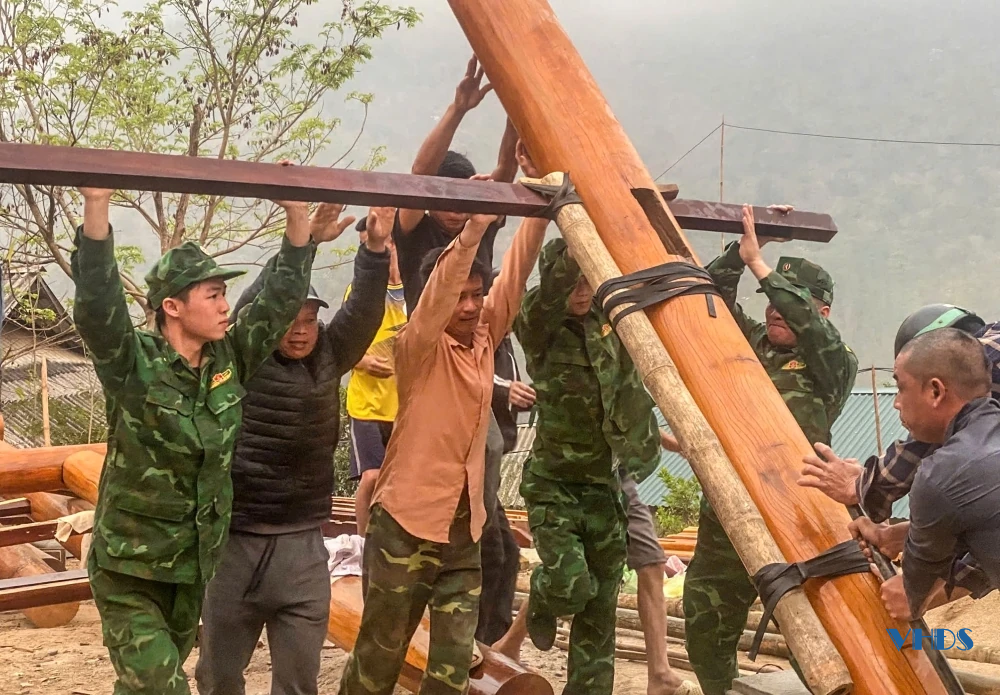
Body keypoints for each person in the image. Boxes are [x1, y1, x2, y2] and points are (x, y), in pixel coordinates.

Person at [73, 181, 316, 695]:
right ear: (173, 307)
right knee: (162, 687)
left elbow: (277, 302)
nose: (226, 304)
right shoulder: (132, 361)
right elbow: (98, 304)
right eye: (214, 294)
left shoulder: (229, 360)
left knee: (144, 686)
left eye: (225, 292)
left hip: (191, 567)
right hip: (130, 570)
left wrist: (299, 223)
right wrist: (97, 204)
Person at [337, 206, 547, 695]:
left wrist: (539, 212)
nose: (471, 306)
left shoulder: (483, 340)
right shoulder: (419, 343)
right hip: (406, 526)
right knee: (380, 656)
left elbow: (514, 276)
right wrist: (473, 232)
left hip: (462, 531)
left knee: (452, 667)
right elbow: (438, 295)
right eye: (460, 297)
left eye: (477, 295)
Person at [194, 205, 393, 695]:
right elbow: (251, 304)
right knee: (217, 676)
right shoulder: (245, 355)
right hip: (235, 542)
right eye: (290, 318)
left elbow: (364, 312)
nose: (301, 329)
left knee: (300, 681)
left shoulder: (329, 354)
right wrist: (302, 241)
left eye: (310, 319)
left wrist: (373, 252)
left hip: (304, 545)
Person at [684, 205, 857, 695]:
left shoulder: (833, 360)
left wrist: (763, 266)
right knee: (707, 607)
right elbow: (705, 296)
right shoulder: (753, 343)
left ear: (821, 310)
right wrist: (740, 258)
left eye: (791, 300)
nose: (775, 308)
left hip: (798, 507)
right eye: (771, 300)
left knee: (817, 622)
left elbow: (811, 327)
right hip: (731, 501)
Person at [504, 230, 668, 695]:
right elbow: (554, 287)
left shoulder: (612, 320)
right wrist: (579, 224)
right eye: (573, 282)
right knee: (570, 585)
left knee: (599, 613)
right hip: (554, 485)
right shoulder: (538, 321)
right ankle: (542, 594)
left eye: (588, 282)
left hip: (605, 487)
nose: (580, 292)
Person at [845, 329, 1000, 620]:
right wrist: (897, 535)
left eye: (902, 388)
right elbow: (974, 524)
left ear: (935, 391)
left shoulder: (941, 474)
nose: (896, 402)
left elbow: (909, 598)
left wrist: (909, 593)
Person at [393, 55, 518, 315]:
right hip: (429, 344)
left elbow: (506, 167)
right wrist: (458, 108)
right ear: (430, 202)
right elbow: (420, 176)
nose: (455, 212)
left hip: (478, 340)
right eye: (446, 201)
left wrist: (516, 105)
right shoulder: (414, 230)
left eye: (463, 202)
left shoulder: (480, 222)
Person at [476, 271, 535, 646]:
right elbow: (473, 373)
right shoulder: (481, 337)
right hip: (472, 469)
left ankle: (494, 639)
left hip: (492, 469)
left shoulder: (508, 342)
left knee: (508, 554)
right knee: (491, 554)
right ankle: (478, 641)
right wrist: (505, 391)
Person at [346, 218, 407, 537]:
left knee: (397, 478)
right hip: (366, 405)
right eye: (363, 246)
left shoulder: (410, 294)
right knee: (371, 476)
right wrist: (364, 360)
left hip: (400, 407)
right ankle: (362, 540)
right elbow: (342, 344)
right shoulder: (357, 294)